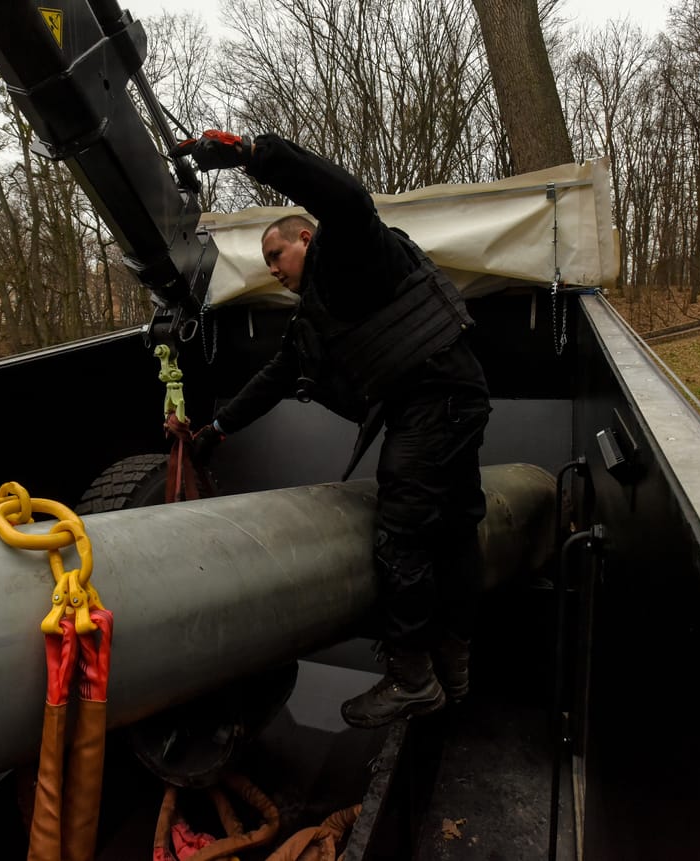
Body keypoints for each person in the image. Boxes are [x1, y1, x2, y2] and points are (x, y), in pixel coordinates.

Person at [178, 130, 491, 728]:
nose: (272, 272)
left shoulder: (352, 251)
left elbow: (345, 195)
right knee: (452, 531)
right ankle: (452, 666)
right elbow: (274, 378)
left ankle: (410, 678)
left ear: (306, 238)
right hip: (445, 399)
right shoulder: (316, 318)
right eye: (266, 265)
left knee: (402, 532)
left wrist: (251, 155)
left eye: (277, 257)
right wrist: (215, 429)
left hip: (438, 398)